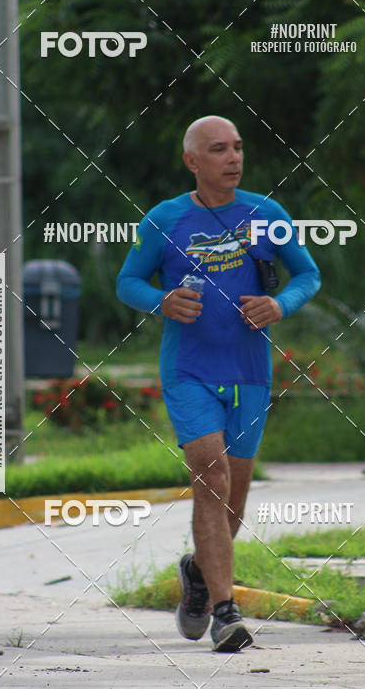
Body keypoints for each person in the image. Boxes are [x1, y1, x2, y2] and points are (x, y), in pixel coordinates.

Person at [116, 115, 320, 652]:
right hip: (189, 370)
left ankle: (200, 576)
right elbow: (128, 281)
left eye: (238, 148)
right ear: (192, 161)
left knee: (234, 500)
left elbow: (308, 274)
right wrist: (159, 301)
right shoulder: (165, 219)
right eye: (218, 150)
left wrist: (280, 303)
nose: (233, 158)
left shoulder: (265, 214)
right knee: (211, 471)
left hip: (250, 373)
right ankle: (226, 613)